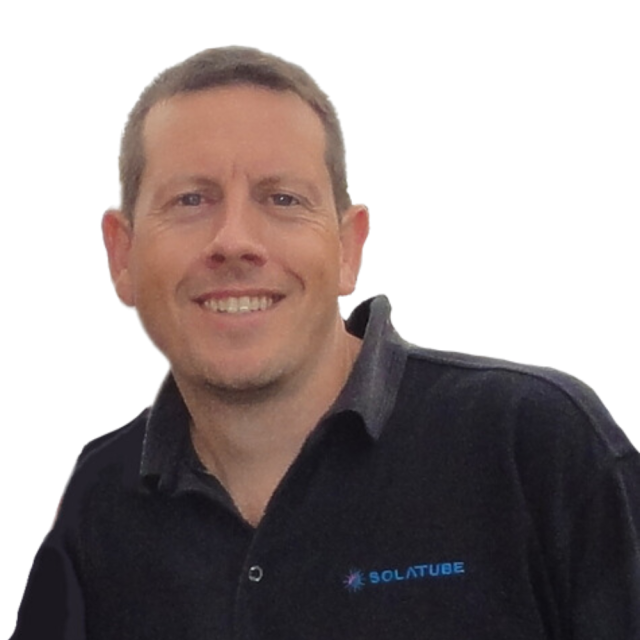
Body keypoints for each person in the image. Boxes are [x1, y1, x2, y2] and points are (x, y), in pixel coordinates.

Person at [9, 44, 640, 640]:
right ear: (121, 254)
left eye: (282, 199)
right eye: (191, 199)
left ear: (349, 248)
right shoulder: (100, 500)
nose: (234, 241)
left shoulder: (537, 446)